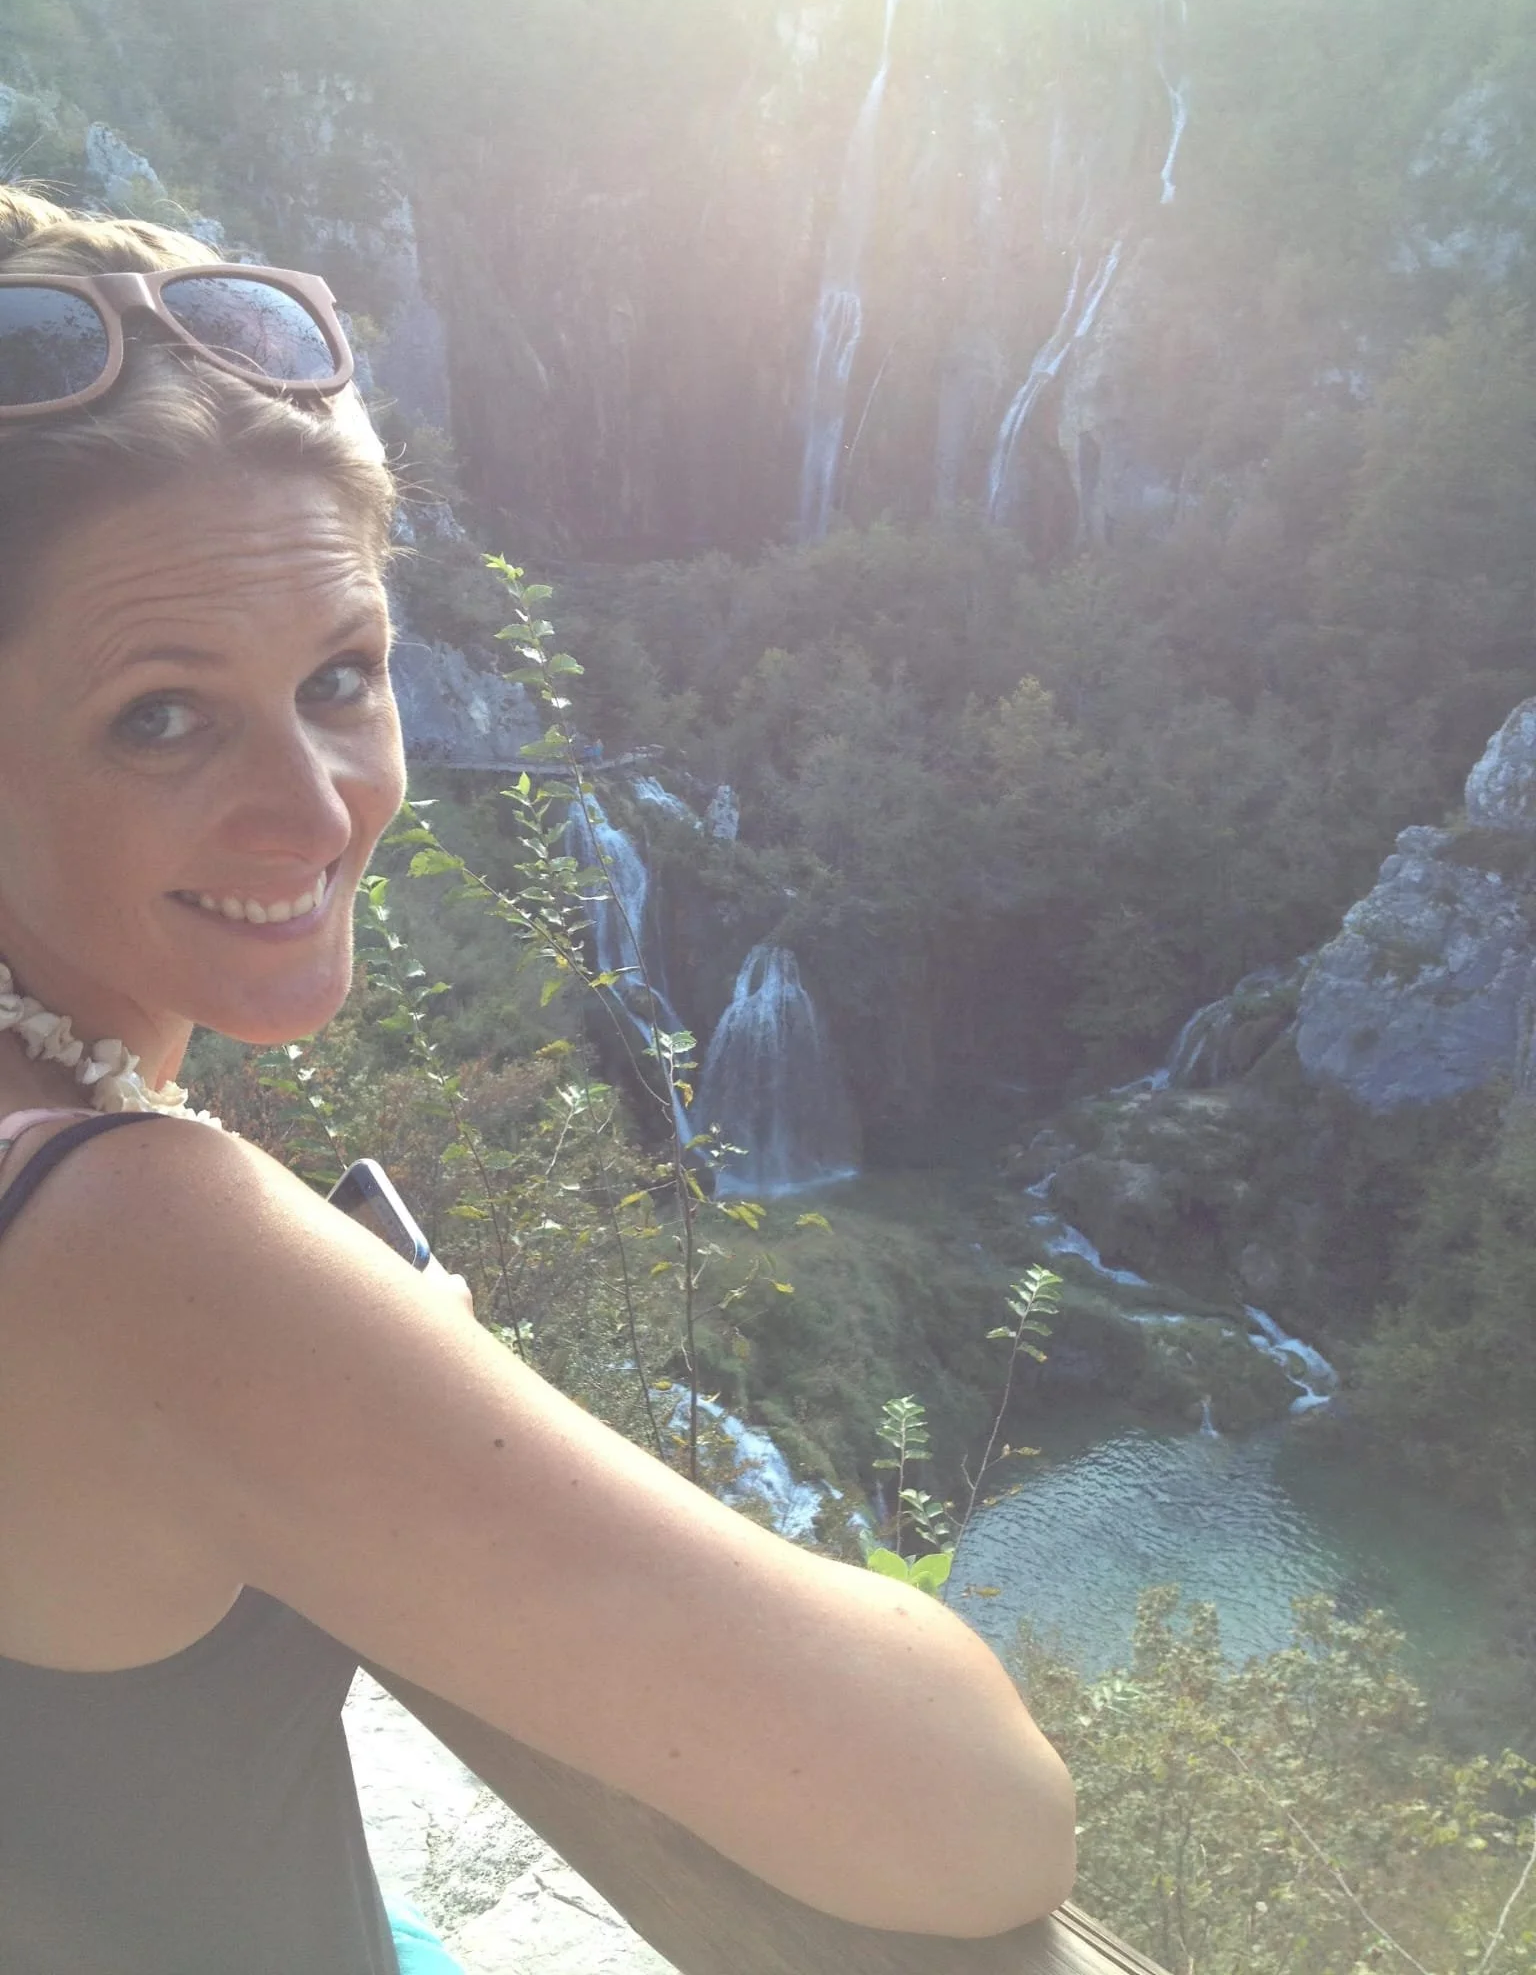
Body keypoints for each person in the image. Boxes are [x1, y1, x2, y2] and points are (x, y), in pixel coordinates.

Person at [0, 185, 1076, 1974]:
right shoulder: (130, 1240)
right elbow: (973, 1810)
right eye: (162, 716)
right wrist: (411, 1361)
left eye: (342, 678)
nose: (312, 804)